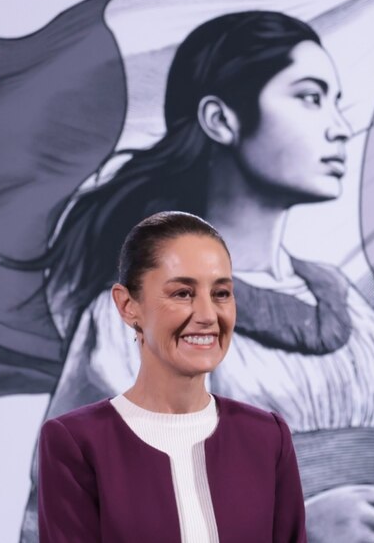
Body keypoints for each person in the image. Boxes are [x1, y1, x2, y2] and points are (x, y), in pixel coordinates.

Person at [25, 10, 374, 543]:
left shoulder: (346, 314)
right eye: (310, 98)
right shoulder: (145, 321)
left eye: (336, 103)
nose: (340, 128)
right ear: (221, 120)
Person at [38, 211, 306, 543]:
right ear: (127, 305)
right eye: (182, 293)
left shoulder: (268, 437)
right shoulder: (75, 443)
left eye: (221, 293)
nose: (208, 315)